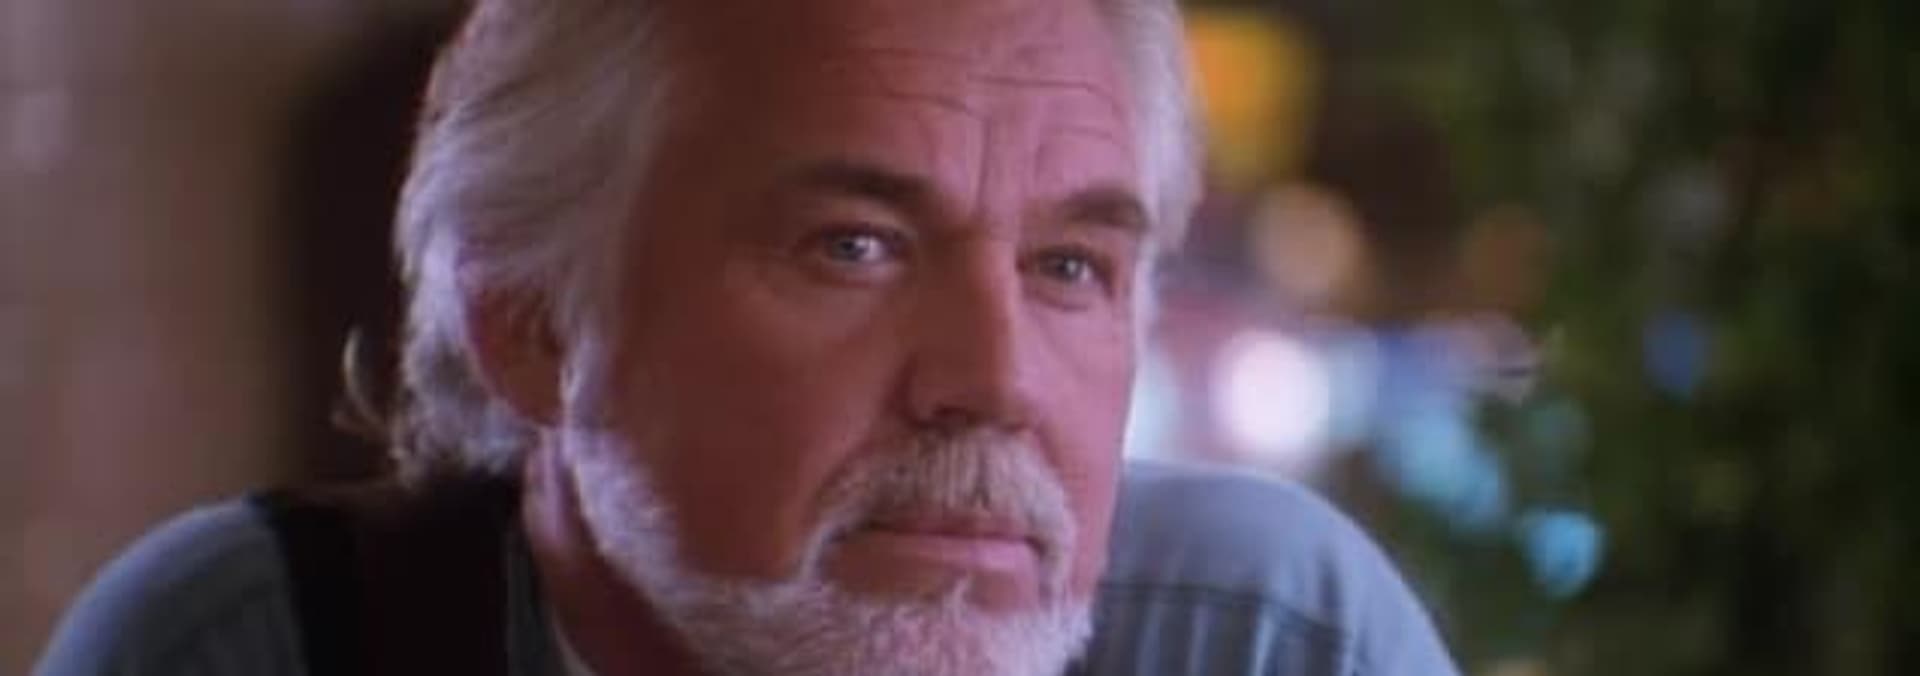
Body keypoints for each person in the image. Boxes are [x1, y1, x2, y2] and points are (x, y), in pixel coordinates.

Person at [37, 0, 1460, 674]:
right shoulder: (262, 647)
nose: (994, 381)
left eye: (1071, 267)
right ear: (531, 321)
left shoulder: (1259, 639)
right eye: (853, 247)